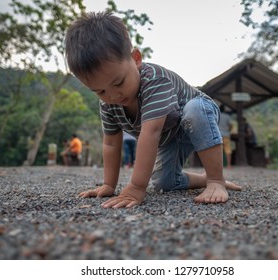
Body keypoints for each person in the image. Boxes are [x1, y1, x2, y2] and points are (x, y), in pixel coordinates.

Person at [66, 12, 242, 208]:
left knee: (194, 111)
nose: (113, 95)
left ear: (136, 59)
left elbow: (151, 133)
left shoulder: (155, 81)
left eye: (119, 82)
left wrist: (135, 188)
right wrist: (109, 184)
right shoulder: (108, 104)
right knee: (164, 183)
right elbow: (111, 144)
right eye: (100, 91)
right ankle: (203, 179)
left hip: (198, 114)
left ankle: (216, 181)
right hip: (172, 134)